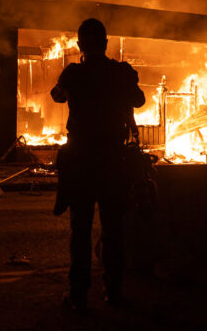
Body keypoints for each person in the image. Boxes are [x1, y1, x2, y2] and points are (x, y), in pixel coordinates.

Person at [51, 18, 145, 312]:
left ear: (80, 45)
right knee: (114, 230)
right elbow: (139, 100)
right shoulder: (121, 73)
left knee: (80, 230)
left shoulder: (73, 74)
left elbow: (57, 95)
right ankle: (113, 292)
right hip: (112, 161)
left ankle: (78, 295)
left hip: (81, 161)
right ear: (105, 44)